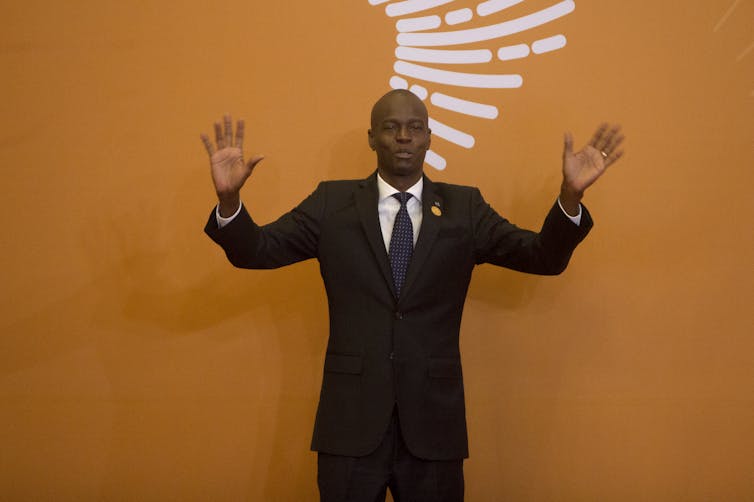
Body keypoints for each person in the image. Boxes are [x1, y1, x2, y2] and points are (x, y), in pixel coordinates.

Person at [201, 89, 624, 502]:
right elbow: (256, 252)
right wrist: (229, 200)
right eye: (390, 127)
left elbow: (542, 257)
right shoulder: (332, 203)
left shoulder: (465, 208)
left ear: (428, 137)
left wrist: (571, 197)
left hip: (434, 427)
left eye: (414, 127)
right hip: (350, 426)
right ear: (372, 138)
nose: (403, 137)